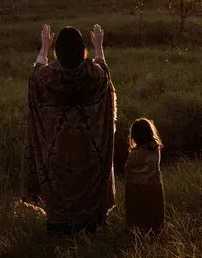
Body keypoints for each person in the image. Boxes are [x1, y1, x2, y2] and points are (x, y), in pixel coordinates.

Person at [21, 24, 116, 236]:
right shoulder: (95, 75)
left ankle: (59, 231)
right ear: (83, 50)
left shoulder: (46, 77)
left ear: (58, 52)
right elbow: (105, 74)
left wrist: (44, 47)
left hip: (57, 159)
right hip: (89, 158)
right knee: (91, 223)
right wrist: (99, 46)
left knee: (59, 210)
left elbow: (34, 76)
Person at [125, 118, 165, 234]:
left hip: (134, 189)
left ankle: (137, 232)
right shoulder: (155, 149)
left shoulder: (134, 154)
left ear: (134, 136)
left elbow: (128, 171)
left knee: (138, 216)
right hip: (153, 186)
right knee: (153, 215)